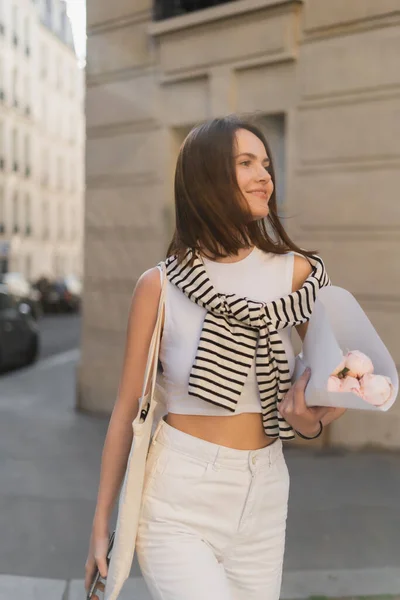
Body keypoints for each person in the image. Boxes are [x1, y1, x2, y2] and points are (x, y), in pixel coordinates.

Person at [85, 115, 346, 600]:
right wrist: (102, 524)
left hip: (265, 492)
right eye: (246, 163)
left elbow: (333, 387)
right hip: (178, 497)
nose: (264, 175)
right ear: (206, 178)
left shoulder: (299, 276)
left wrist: (311, 417)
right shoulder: (159, 286)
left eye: (266, 163)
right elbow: (127, 412)